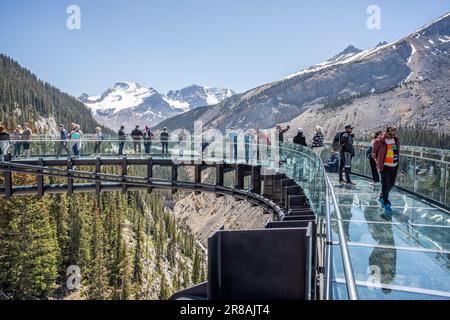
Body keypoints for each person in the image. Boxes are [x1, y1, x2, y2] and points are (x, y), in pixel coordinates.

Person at [372, 126, 400, 216]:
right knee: (385, 184)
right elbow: (374, 153)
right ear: (387, 132)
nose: (394, 134)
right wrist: (378, 162)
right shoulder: (379, 141)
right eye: (393, 132)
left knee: (391, 184)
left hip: (394, 166)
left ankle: (382, 196)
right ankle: (386, 202)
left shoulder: (396, 140)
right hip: (384, 167)